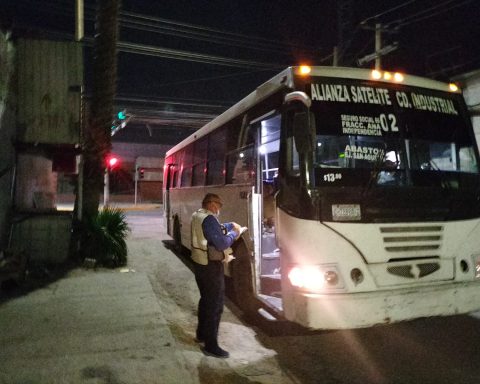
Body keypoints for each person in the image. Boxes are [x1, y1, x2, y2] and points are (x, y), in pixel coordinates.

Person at [191, 193, 241, 358]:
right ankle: (211, 346)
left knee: (205, 300)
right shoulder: (210, 219)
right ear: (212, 204)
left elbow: (212, 231)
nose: (219, 208)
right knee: (215, 306)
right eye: (219, 205)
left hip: (199, 264)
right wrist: (234, 234)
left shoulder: (198, 215)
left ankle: (201, 334)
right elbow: (221, 243)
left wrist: (228, 225)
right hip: (211, 268)